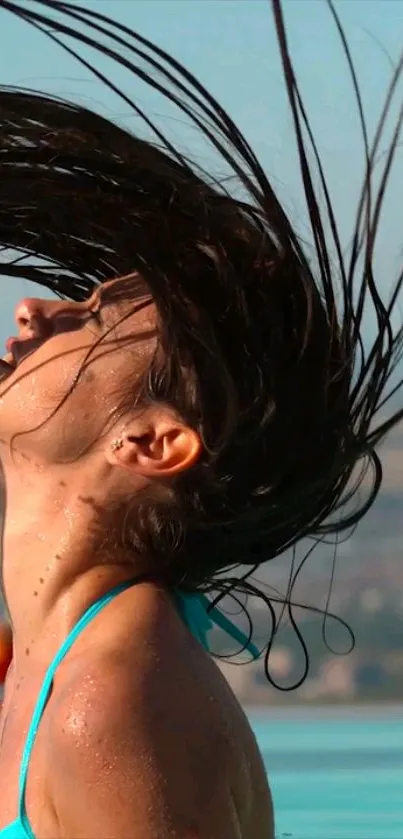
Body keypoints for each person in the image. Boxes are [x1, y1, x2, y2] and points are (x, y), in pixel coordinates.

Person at [0, 1, 402, 837]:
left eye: (95, 316)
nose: (37, 311)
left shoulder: (113, 703)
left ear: (150, 442)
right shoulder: (49, 666)